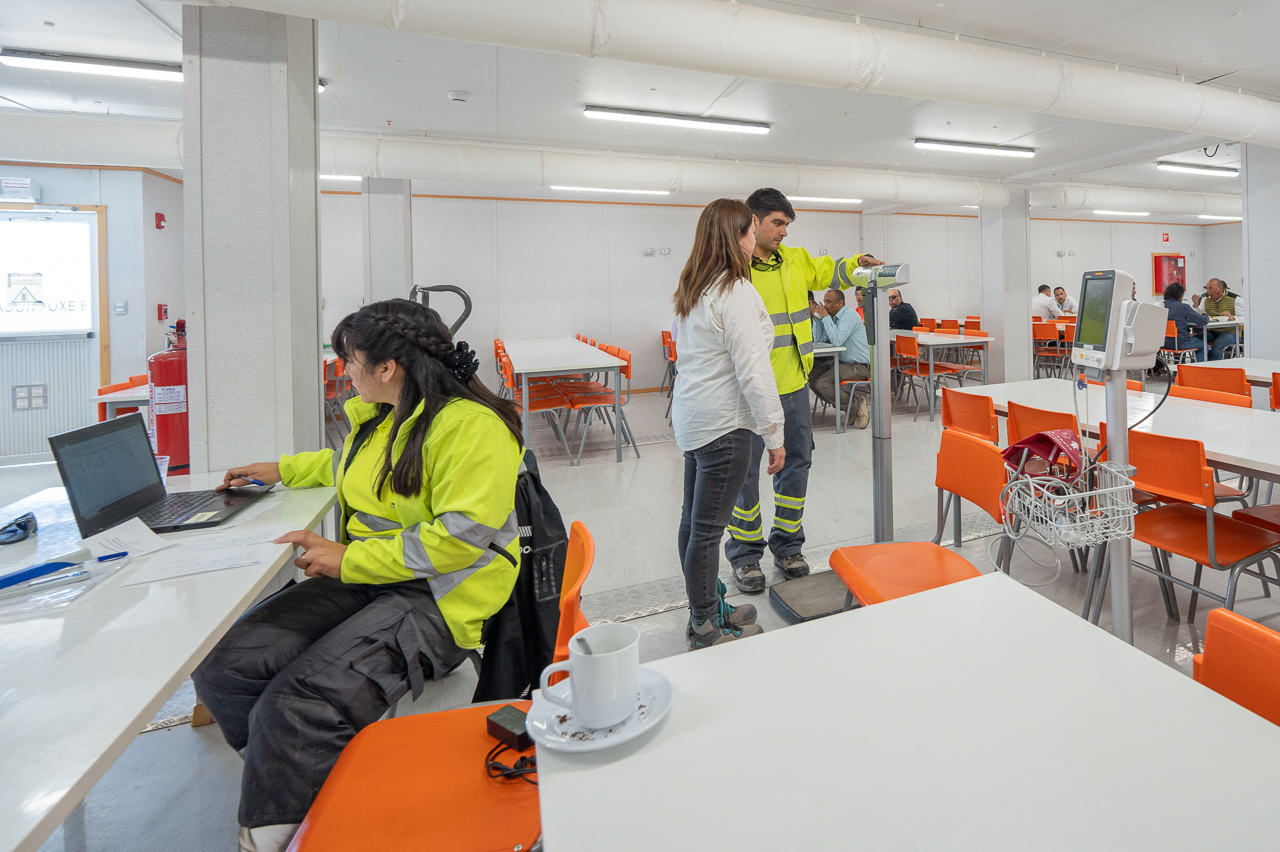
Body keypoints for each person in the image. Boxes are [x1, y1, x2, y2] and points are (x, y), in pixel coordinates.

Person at [193, 299, 524, 852]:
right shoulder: (386, 417)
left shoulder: (473, 428)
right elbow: (355, 468)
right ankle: (300, 784)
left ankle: (289, 822)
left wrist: (348, 560)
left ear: (387, 368)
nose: (343, 370)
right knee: (226, 664)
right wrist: (283, 470)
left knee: (296, 705)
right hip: (374, 574)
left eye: (350, 360)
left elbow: (458, 541)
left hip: (441, 596)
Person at [726, 187, 881, 593]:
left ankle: (788, 546)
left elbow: (832, 270)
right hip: (748, 392)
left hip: (793, 385)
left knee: (797, 464)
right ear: (753, 221)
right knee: (743, 474)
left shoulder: (795, 260)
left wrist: (858, 262)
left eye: (787, 225)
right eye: (777, 223)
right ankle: (745, 555)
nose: (784, 232)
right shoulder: (734, 267)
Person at [671, 199, 784, 647]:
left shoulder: (693, 288)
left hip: (695, 420)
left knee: (693, 524)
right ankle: (705, 625)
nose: (756, 238)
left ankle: (706, 606)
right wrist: (774, 434)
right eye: (752, 231)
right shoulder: (734, 290)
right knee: (707, 531)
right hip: (725, 425)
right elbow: (753, 369)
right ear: (737, 237)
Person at [809, 289, 871, 428]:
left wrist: (826, 318)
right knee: (811, 377)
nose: (825, 305)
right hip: (841, 362)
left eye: (829, 302)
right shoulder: (833, 317)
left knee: (823, 384)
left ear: (840, 303)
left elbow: (837, 340)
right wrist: (818, 321)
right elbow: (820, 341)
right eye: (824, 301)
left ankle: (856, 405)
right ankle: (850, 407)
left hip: (859, 365)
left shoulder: (849, 315)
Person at [1193, 277, 1242, 360]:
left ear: (1220, 288)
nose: (1208, 291)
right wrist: (1196, 305)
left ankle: (1211, 365)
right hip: (1212, 331)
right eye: (1207, 288)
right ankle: (1200, 364)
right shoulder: (1205, 299)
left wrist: (1232, 317)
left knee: (1217, 344)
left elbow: (1246, 317)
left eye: (1211, 288)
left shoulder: (1236, 299)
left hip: (1231, 332)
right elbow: (1199, 314)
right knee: (1195, 340)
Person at [1162, 281, 1209, 362]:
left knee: (1178, 339)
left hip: (1163, 343)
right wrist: (1204, 314)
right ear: (1180, 295)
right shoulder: (1183, 307)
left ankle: (1179, 366)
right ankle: (1195, 368)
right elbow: (1202, 321)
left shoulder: (1160, 306)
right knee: (1204, 346)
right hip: (1180, 343)